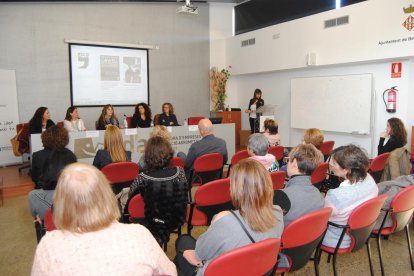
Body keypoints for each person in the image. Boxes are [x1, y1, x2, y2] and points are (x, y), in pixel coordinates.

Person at [31, 163, 177, 276]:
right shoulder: (139, 234)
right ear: (107, 194)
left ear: (61, 202)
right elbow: (170, 272)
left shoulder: (49, 246)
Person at [174, 159, 284, 276]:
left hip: (217, 271)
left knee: (183, 240)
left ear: (237, 189)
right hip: (259, 269)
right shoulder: (278, 212)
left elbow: (200, 253)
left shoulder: (225, 220)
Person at [126, 136, 187, 245]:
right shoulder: (180, 172)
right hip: (176, 219)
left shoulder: (143, 177)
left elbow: (131, 198)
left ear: (148, 156)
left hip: (152, 222)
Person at [322, 145, 378, 248]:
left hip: (337, 239)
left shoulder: (336, 195)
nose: (330, 164)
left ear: (346, 169)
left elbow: (322, 217)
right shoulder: (369, 179)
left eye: (334, 163)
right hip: (361, 235)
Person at [275, 144, 324, 226]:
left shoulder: (280, 196)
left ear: (294, 163)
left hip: (282, 237)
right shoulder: (319, 195)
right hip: (306, 237)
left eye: (289, 161)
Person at [28, 149, 77, 221]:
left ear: (46, 168)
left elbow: (34, 215)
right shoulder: (86, 193)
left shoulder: (34, 196)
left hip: (50, 230)